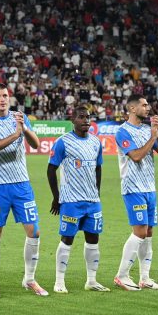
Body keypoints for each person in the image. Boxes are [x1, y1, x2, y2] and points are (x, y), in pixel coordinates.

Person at [0, 83, 47, 298]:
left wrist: (24, 129)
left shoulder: (20, 117)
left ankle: (30, 279)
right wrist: (16, 135)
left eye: (5, 96)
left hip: (21, 184)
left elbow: (35, 144)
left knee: (34, 231)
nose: (2, 99)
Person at [47, 105, 109, 293]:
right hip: (71, 201)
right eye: (81, 117)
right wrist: (56, 197)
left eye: (88, 117)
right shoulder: (63, 142)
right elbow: (51, 169)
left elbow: (98, 168)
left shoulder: (96, 142)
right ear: (72, 120)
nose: (86, 120)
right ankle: (59, 281)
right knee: (67, 238)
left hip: (92, 201)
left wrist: (97, 192)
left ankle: (91, 281)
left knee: (93, 238)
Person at [113, 94, 158, 291]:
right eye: (144, 105)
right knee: (140, 232)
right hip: (132, 188)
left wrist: (157, 134)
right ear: (132, 108)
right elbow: (136, 156)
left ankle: (145, 277)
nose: (148, 108)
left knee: (149, 232)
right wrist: (152, 137)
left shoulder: (148, 130)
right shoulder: (122, 132)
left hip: (149, 188)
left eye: (148, 104)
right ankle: (122, 275)